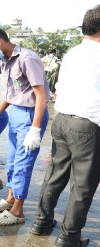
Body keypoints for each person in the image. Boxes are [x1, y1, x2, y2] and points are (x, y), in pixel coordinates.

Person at [30, 5, 100, 247]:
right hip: (88, 124)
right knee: (83, 184)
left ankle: (42, 221)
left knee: (55, 174)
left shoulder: (73, 53)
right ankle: (70, 236)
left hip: (62, 119)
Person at [0, 26, 50, 225]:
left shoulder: (27, 59)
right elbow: (9, 96)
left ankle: (18, 212)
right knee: (12, 162)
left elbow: (41, 95)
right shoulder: (5, 61)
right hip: (15, 113)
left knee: (23, 164)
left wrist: (34, 129)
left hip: (31, 115)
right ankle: (10, 199)